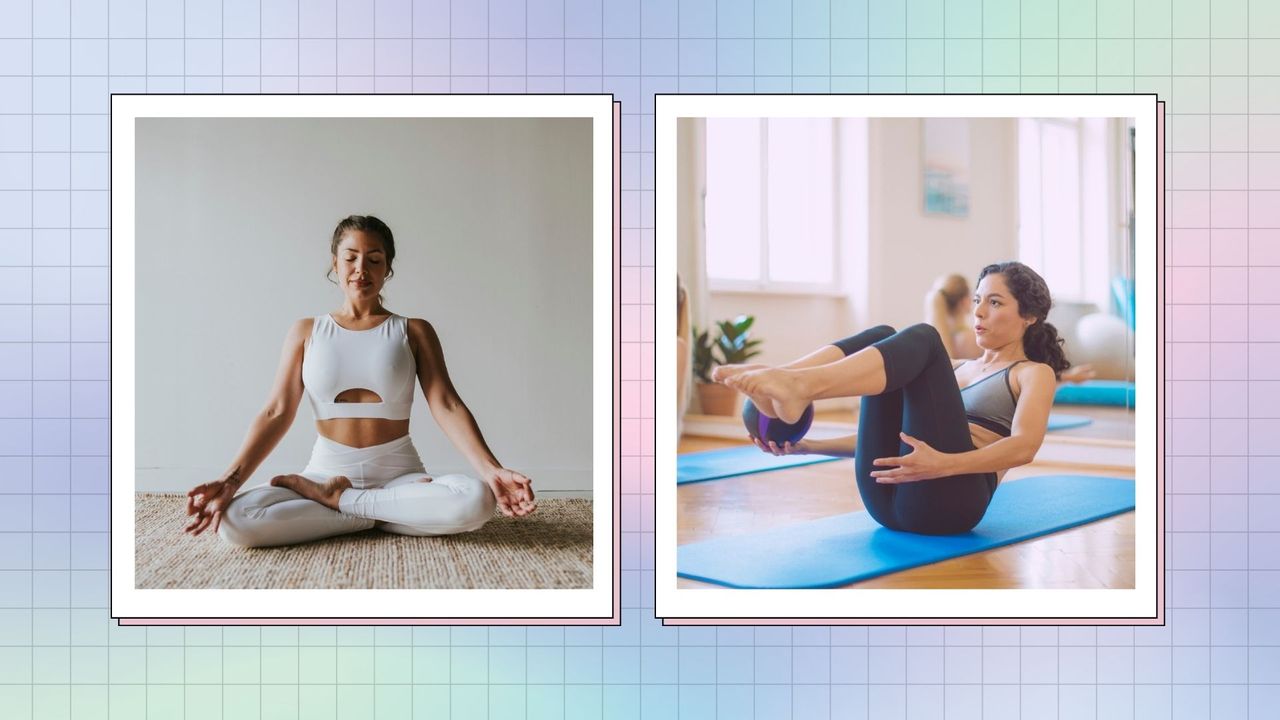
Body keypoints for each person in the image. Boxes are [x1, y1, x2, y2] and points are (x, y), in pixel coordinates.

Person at [183, 215, 536, 547]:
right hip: (324, 472)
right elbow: (276, 411)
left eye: (374, 259)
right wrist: (231, 481)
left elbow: (447, 404)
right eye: (350, 258)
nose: (360, 270)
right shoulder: (306, 331)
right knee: (236, 520)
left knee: (477, 500)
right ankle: (381, 513)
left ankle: (340, 503)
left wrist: (492, 470)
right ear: (334, 263)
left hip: (401, 476)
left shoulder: (413, 330)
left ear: (388, 268)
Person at [713, 261, 1067, 536]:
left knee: (926, 339)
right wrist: (809, 446)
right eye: (977, 300)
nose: (978, 312)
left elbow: (1024, 447)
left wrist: (942, 464)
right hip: (886, 497)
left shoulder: (1032, 372)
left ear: (1029, 316)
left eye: (994, 302)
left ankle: (799, 386)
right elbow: (887, 436)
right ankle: (790, 377)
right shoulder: (956, 368)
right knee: (883, 335)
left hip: (950, 501)